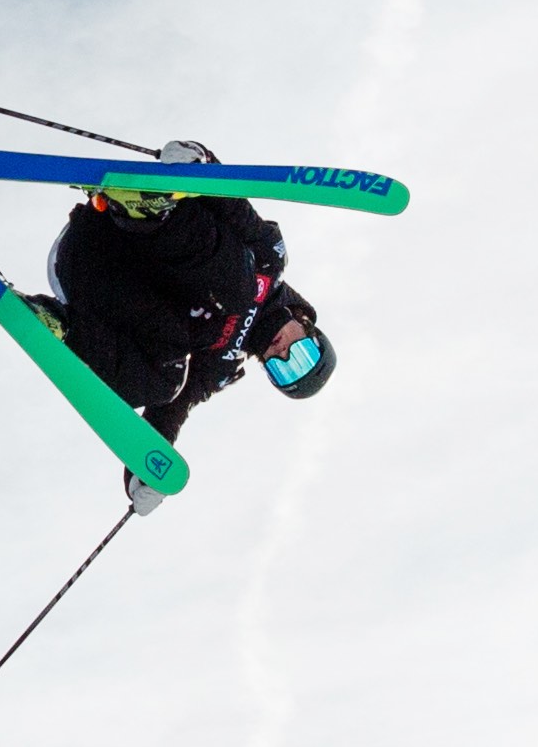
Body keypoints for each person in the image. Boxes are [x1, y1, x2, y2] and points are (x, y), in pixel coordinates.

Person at [23, 140, 333, 510]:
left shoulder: (220, 365)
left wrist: (147, 467)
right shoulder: (271, 258)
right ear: (307, 325)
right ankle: (149, 209)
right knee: (240, 285)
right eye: (301, 354)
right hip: (109, 231)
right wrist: (198, 162)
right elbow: (233, 204)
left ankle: (59, 329)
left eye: (284, 370)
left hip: (94, 284)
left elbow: (169, 413)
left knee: (164, 384)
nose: (283, 353)